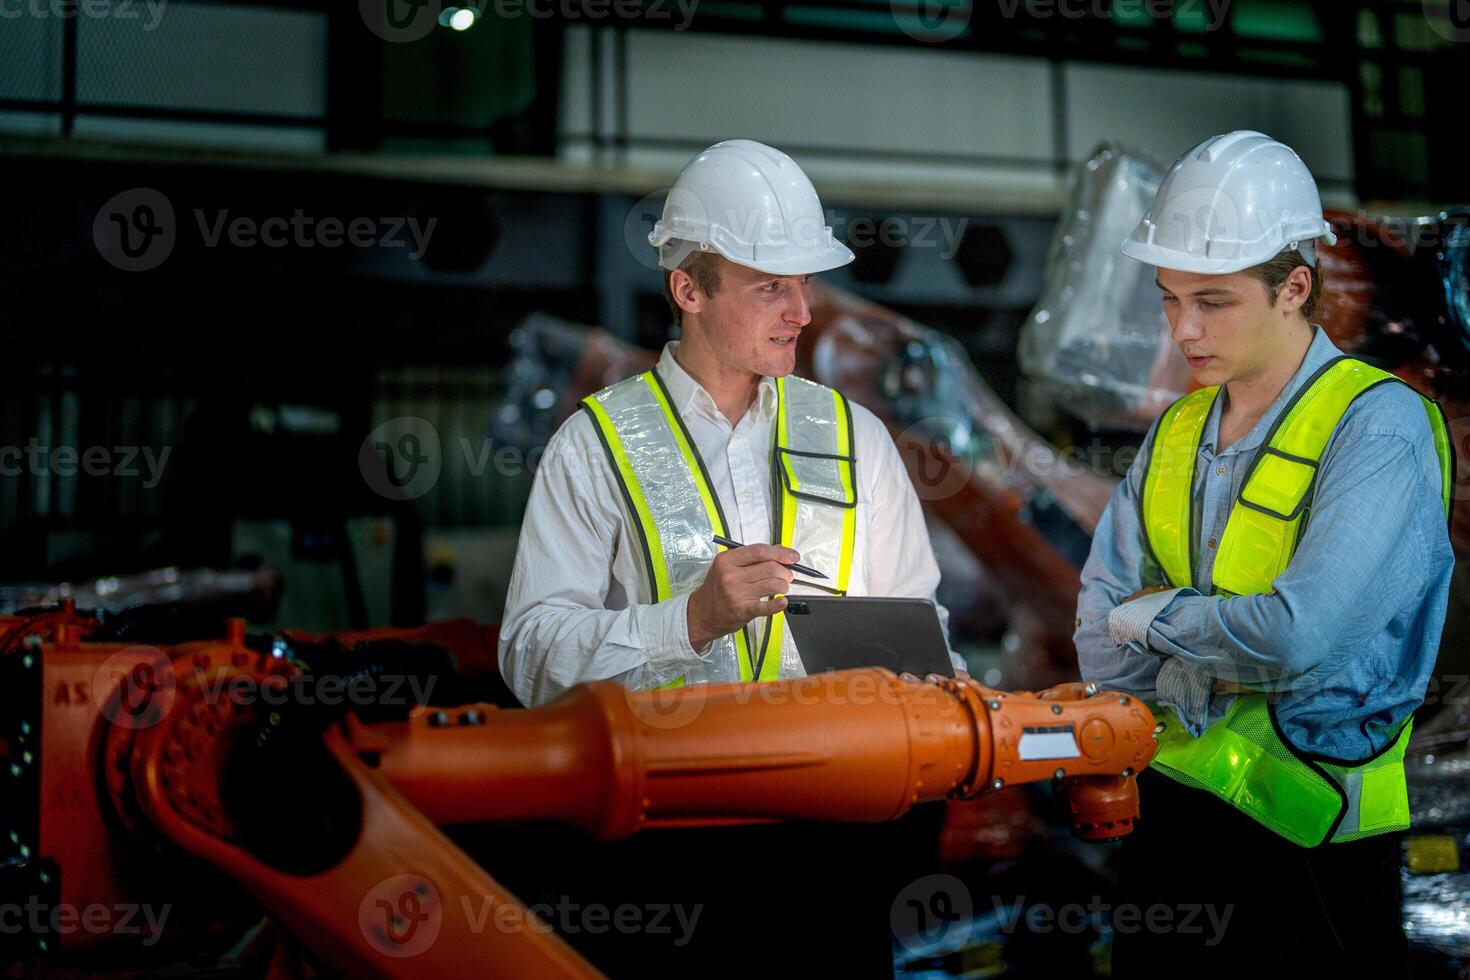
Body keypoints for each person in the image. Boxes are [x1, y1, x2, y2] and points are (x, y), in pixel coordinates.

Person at [1074, 131, 1453, 978]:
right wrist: (1178, 641)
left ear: (1294, 288)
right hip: (1169, 825)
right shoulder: (1174, 432)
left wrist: (1156, 620)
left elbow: (1300, 634)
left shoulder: (1376, 426)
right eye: (1170, 298)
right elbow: (1097, 633)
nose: (1182, 328)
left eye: (1213, 301)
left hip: (1315, 842)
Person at [500, 139, 961, 708]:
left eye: (805, 283)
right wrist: (691, 621)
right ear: (688, 290)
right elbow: (531, 660)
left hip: (836, 790)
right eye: (771, 286)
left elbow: (920, 635)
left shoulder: (858, 438)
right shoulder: (593, 445)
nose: (802, 313)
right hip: (671, 787)